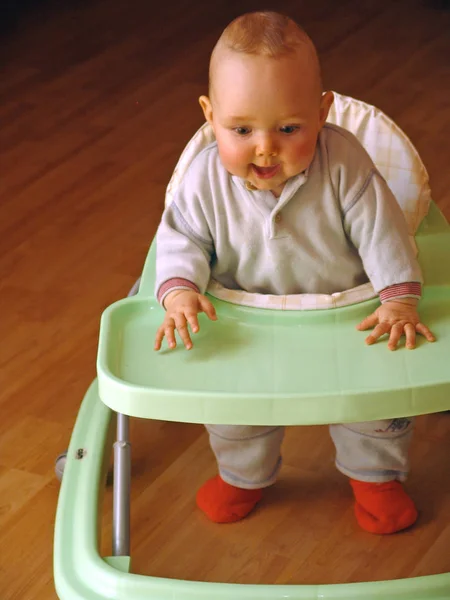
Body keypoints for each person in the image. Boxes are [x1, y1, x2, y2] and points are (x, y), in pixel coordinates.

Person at [153, 11, 435, 534]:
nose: (265, 146)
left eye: (289, 128)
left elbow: (383, 232)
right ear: (209, 115)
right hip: (244, 322)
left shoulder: (347, 164)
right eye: (241, 129)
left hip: (346, 315)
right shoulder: (202, 179)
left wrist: (397, 298)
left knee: (373, 406)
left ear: (322, 111)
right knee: (236, 412)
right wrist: (181, 293)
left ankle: (377, 480)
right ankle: (241, 476)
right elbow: (180, 240)